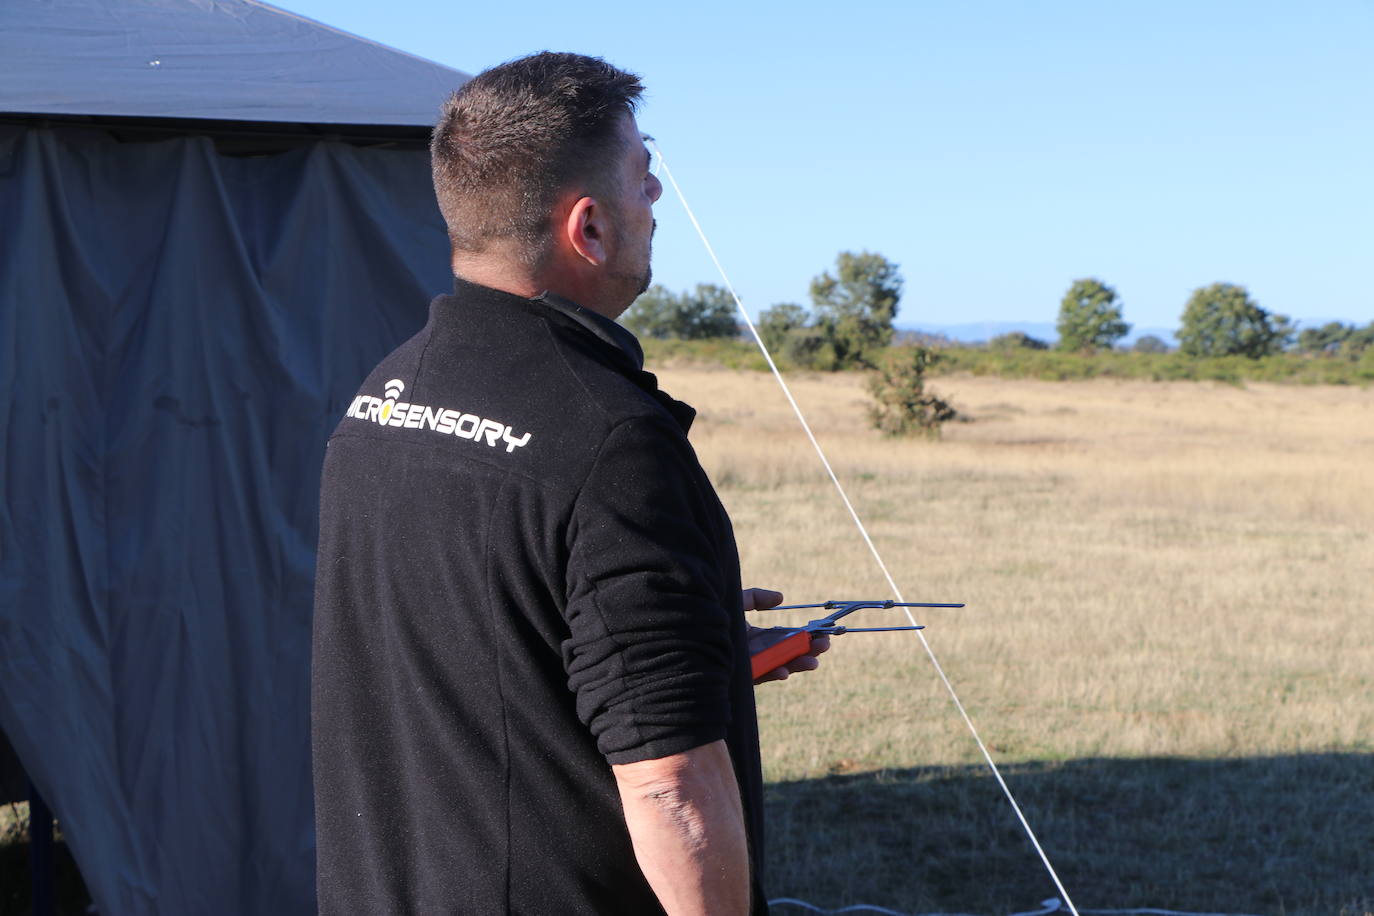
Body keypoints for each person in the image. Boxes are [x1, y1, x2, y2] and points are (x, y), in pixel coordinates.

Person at [311, 51, 824, 916]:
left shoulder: (383, 396)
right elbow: (671, 788)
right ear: (587, 227)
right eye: (643, 177)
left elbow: (486, 646)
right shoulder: (612, 438)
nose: (656, 200)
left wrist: (686, 652)